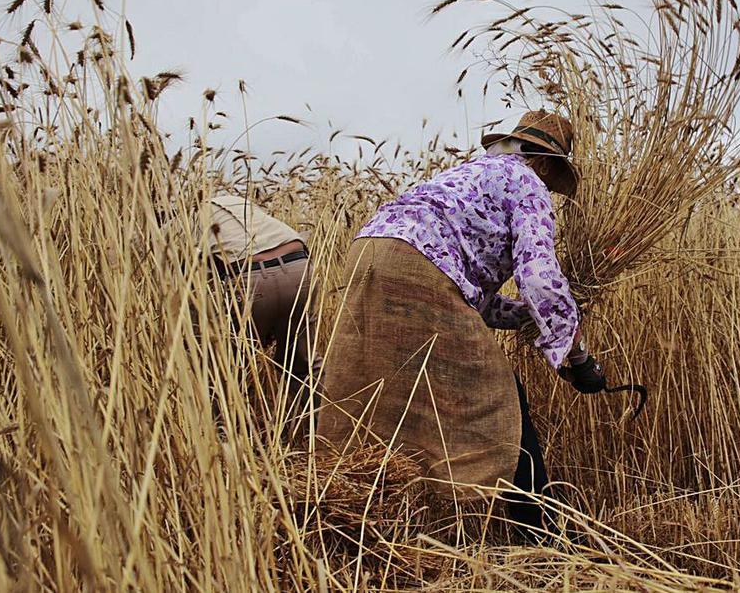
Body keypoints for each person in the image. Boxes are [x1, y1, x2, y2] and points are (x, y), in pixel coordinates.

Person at [316, 110, 606, 539]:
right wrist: (575, 353)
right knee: (500, 394)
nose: (548, 187)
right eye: (550, 177)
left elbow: (473, 299)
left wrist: (532, 317)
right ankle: (543, 531)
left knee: (373, 389)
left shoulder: (467, 175)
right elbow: (540, 278)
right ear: (545, 163)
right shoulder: (526, 183)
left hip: (369, 252)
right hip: (419, 266)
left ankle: (343, 507)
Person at [201, 194, 319, 419]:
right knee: (302, 363)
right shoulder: (238, 201)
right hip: (299, 267)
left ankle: (229, 440)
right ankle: (328, 432)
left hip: (249, 279)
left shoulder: (188, 220)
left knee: (226, 368)